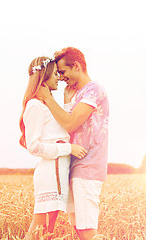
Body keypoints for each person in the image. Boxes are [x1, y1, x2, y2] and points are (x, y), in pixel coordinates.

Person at [36, 47, 109, 240]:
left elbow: (69, 123)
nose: (60, 78)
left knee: (87, 230)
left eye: (62, 72)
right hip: (75, 167)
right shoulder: (78, 94)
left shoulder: (94, 90)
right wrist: (66, 101)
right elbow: (68, 129)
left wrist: (48, 99)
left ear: (76, 66)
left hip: (88, 167)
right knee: (80, 229)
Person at [19, 56, 88, 239]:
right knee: (39, 227)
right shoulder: (35, 105)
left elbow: (63, 126)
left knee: (47, 231)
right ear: (45, 75)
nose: (59, 77)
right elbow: (33, 147)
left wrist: (66, 100)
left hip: (59, 170)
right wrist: (68, 149)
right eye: (55, 73)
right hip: (51, 172)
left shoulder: (46, 104)